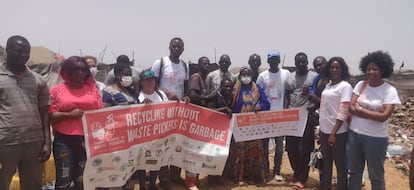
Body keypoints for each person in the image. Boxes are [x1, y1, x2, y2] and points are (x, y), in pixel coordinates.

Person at [0, 35, 51, 190]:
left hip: (34, 143)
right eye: (19, 51)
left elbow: (45, 112)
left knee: (33, 184)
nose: (23, 55)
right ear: (7, 50)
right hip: (5, 142)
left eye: (26, 52)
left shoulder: (38, 79)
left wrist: (47, 142)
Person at [348, 51, 401, 190]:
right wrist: (373, 113)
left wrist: (360, 109)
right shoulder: (361, 85)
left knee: (376, 176)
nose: (371, 72)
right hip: (355, 135)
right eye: (368, 69)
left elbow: (383, 117)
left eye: (375, 69)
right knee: (354, 173)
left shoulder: (389, 91)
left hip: (375, 139)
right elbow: (350, 107)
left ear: (383, 70)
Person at [49, 56, 103, 190]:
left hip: (86, 141)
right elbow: (50, 115)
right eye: (76, 69)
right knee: (64, 180)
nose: (80, 72)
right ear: (68, 70)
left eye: (83, 70)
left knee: (82, 179)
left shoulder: (92, 90)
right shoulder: (57, 90)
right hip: (64, 141)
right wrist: (69, 115)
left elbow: (99, 113)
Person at [151, 37, 188, 189]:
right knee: (164, 142)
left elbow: (184, 85)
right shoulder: (160, 63)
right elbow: (151, 85)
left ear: (183, 49)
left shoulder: (184, 65)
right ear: (169, 47)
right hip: (163, 109)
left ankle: (176, 175)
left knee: (178, 141)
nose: (177, 48)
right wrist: (167, 93)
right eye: (174, 46)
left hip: (179, 111)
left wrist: (185, 97)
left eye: (179, 47)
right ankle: (164, 177)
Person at [231, 66, 270, 186]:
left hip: (254, 126)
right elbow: (231, 104)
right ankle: (240, 176)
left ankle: (255, 176)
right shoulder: (236, 89)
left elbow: (266, 103)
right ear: (240, 76)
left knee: (255, 151)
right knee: (240, 151)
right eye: (243, 74)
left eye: (248, 74)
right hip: (240, 126)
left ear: (252, 76)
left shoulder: (257, 88)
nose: (246, 77)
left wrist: (260, 106)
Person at [319, 57, 352, 190]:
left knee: (340, 165)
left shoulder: (345, 86)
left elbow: (343, 111)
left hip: (337, 133)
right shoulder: (328, 85)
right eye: (332, 67)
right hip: (324, 131)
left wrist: (333, 133)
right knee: (326, 164)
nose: (334, 70)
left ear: (342, 69)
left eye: (337, 67)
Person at [256, 50, 290, 182]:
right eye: (272, 59)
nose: (274, 61)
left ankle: (277, 170)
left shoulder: (286, 74)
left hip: (280, 116)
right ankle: (265, 169)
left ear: (279, 60)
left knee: (279, 147)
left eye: (276, 59)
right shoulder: (262, 76)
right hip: (265, 116)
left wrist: (286, 109)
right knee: (264, 145)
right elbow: (257, 93)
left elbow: (287, 93)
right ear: (268, 61)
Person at [285, 52, 318, 189]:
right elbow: (287, 95)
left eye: (303, 62)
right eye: (298, 62)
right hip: (292, 118)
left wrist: (312, 103)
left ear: (307, 62)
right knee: (291, 148)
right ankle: (296, 172)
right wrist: (285, 109)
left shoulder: (314, 77)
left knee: (304, 149)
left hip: (307, 118)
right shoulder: (290, 78)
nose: (300, 64)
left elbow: (320, 96)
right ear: (295, 63)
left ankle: (302, 179)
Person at [136, 69, 168, 190]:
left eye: (152, 79)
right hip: (142, 135)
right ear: (142, 82)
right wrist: (141, 107)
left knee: (157, 159)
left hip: (159, 133)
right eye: (147, 80)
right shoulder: (137, 96)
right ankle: (143, 186)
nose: (150, 82)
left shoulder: (161, 95)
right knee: (141, 161)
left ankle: (153, 184)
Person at [185, 56, 212, 190]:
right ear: (199, 65)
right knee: (193, 150)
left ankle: (194, 179)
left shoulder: (205, 79)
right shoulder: (196, 78)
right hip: (194, 119)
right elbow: (193, 95)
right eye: (204, 64)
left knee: (199, 150)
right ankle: (190, 181)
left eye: (208, 64)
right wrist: (207, 98)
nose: (206, 66)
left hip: (201, 119)